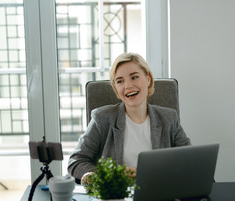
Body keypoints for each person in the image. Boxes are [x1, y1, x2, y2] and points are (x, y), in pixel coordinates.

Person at [68, 53, 191, 182]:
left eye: (134, 77)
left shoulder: (169, 118)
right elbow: (76, 162)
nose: (128, 86)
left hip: (159, 193)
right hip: (117, 196)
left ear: (148, 79)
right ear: (116, 88)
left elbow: (189, 159)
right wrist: (110, 175)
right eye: (120, 81)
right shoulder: (102, 118)